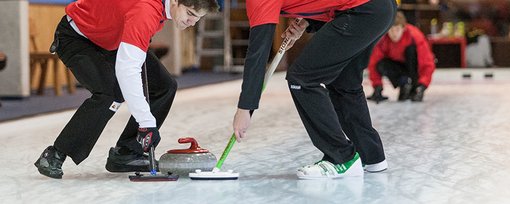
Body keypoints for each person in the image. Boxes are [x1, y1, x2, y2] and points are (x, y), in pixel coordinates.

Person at [34, 0, 219, 179]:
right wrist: (146, 123)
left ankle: (127, 153)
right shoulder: (146, 11)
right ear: (175, 2)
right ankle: (55, 154)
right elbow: (128, 70)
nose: (192, 22)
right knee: (110, 94)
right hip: (78, 37)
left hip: (112, 39)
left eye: (198, 18)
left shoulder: (157, 9)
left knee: (164, 86)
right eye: (189, 14)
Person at [232, 0, 397, 179]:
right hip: (379, 8)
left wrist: (246, 107)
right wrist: (307, 22)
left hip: (362, 11)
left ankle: (341, 157)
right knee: (345, 83)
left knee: (302, 78)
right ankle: (370, 155)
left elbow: (259, 51)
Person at [366, 11, 435, 103]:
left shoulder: (414, 35)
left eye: (397, 29)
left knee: (411, 50)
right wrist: (377, 86)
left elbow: (427, 62)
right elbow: (374, 63)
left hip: (413, 67)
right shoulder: (382, 39)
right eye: (391, 30)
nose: (394, 34)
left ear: (404, 28)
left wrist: (422, 85)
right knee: (381, 64)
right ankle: (404, 84)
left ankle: (414, 86)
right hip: (398, 68)